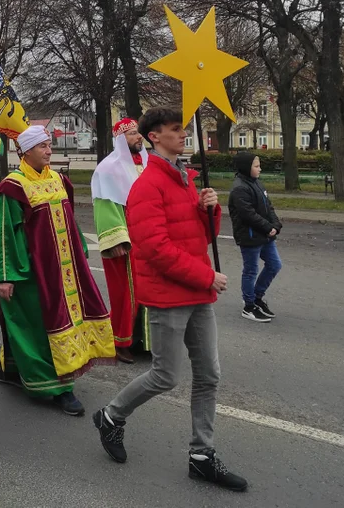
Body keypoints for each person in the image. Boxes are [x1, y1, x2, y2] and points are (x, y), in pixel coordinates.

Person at [94, 106, 247, 492]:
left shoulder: (185, 179)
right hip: (169, 295)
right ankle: (112, 416)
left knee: (208, 375)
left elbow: (200, 238)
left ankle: (201, 455)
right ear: (154, 137)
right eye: (175, 130)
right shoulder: (146, 186)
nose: (183, 136)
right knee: (165, 375)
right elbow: (157, 249)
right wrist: (207, 276)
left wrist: (209, 212)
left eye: (184, 130)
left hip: (197, 292)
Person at [0, 125, 116, 417]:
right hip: (34, 273)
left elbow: (69, 220)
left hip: (65, 269)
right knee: (40, 325)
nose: (49, 150)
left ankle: (9, 369)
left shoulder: (59, 180)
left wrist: (80, 251)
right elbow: (4, 234)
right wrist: (6, 275)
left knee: (63, 320)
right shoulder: (14, 186)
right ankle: (59, 388)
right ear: (26, 151)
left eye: (50, 145)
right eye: (43, 146)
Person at [91, 118, 150, 363]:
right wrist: (117, 240)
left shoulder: (147, 164)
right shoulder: (108, 169)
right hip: (124, 241)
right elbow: (105, 207)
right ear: (120, 139)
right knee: (125, 293)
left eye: (139, 133)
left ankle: (143, 340)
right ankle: (118, 340)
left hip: (147, 239)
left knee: (147, 291)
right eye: (133, 134)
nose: (139, 138)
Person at [228, 151, 283, 323]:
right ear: (246, 167)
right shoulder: (239, 188)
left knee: (274, 265)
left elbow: (268, 207)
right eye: (256, 166)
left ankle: (257, 297)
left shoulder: (257, 183)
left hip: (265, 235)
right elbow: (248, 215)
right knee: (251, 270)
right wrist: (268, 228)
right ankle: (249, 306)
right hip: (250, 236)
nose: (260, 169)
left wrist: (275, 225)